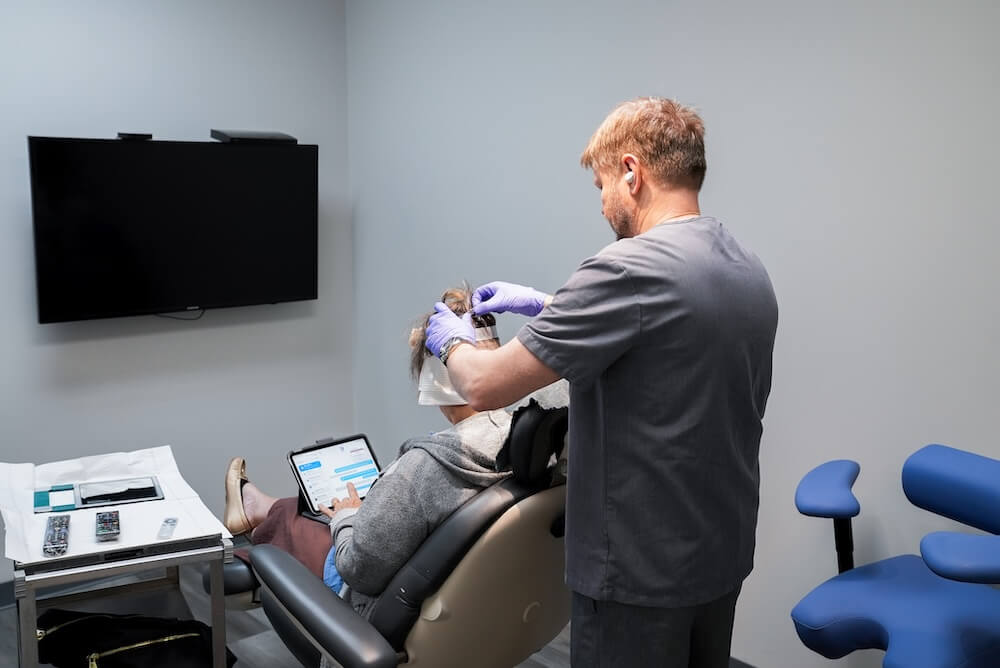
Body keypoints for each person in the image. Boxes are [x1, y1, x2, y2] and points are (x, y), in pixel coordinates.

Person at [424, 97, 778, 668]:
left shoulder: (626, 268)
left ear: (632, 173)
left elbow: (485, 386)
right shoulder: (745, 266)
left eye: (601, 185)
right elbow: (665, 338)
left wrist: (453, 339)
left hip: (638, 576)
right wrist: (549, 306)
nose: (603, 204)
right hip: (719, 553)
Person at [222, 286, 515, 618]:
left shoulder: (419, 470)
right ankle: (263, 510)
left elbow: (357, 570)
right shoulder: (526, 443)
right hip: (477, 608)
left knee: (305, 521)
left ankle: (259, 522)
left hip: (379, 606)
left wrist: (349, 518)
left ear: (435, 378)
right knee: (313, 511)